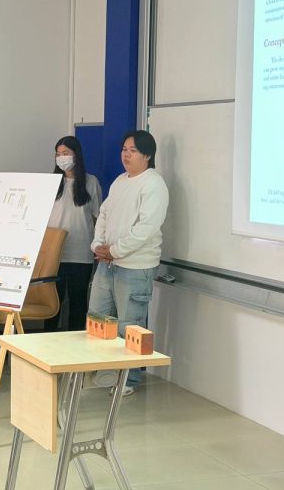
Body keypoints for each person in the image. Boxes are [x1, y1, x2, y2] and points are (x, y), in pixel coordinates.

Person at [89, 129, 168, 395]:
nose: (126, 155)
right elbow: (104, 214)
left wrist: (116, 250)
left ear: (147, 155)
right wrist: (98, 245)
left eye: (133, 150)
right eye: (124, 149)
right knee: (99, 320)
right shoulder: (120, 181)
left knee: (130, 326)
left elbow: (146, 229)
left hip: (135, 267)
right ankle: (105, 372)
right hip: (107, 263)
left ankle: (129, 380)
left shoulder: (153, 184)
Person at [45, 136, 102, 331]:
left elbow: (97, 217)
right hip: (54, 254)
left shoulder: (91, 182)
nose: (61, 158)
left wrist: (98, 246)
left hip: (81, 252)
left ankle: (76, 343)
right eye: (58, 154)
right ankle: (47, 343)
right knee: (53, 303)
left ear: (76, 154)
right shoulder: (51, 183)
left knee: (78, 301)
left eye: (66, 153)